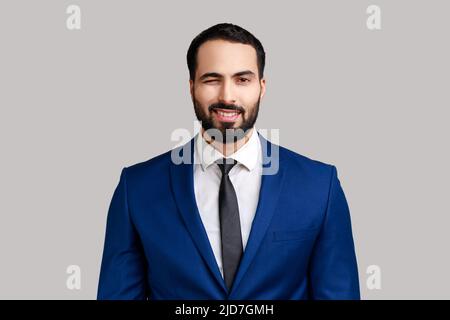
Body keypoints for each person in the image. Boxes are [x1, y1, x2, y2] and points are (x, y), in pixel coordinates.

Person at [97, 23, 360, 300]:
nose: (227, 96)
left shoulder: (319, 186)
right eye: (212, 79)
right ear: (191, 87)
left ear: (262, 87)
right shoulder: (137, 188)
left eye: (242, 80)